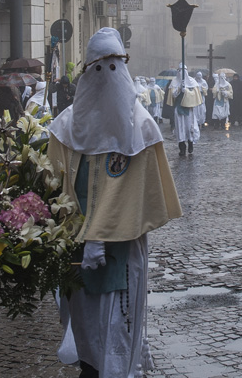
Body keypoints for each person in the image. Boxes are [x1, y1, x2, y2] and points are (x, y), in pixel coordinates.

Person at [48, 27, 181, 378]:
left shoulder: (142, 128)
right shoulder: (64, 128)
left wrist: (102, 235)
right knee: (86, 327)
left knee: (116, 329)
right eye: (98, 68)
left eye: (113, 67)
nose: (106, 76)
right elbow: (52, 185)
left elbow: (140, 192)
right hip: (75, 252)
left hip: (123, 252)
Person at [166, 64, 203, 156]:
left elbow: (195, 95)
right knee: (180, 128)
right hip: (178, 109)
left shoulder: (192, 82)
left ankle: (190, 143)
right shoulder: (174, 82)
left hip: (188, 109)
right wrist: (179, 89)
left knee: (189, 127)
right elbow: (173, 95)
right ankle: (182, 147)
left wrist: (186, 90)